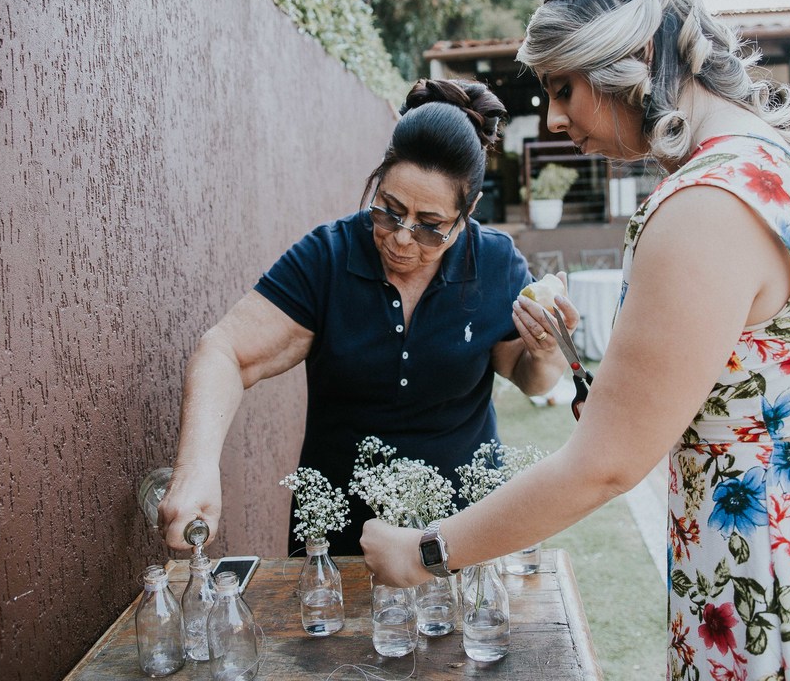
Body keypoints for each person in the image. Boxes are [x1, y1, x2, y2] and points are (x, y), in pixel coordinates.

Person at [362, 0, 790, 678]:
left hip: (785, 563)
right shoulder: (761, 158)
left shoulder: (704, 206)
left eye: (564, 89)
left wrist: (424, 551)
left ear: (639, 55)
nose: (555, 119)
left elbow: (606, 467)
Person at [158, 78, 577, 556]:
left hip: (462, 534)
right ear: (379, 178)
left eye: (430, 226)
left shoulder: (496, 263)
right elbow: (226, 351)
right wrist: (196, 468)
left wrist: (544, 352)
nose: (401, 238)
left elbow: (531, 379)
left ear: (468, 212)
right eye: (390, 211)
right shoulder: (327, 258)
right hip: (338, 539)